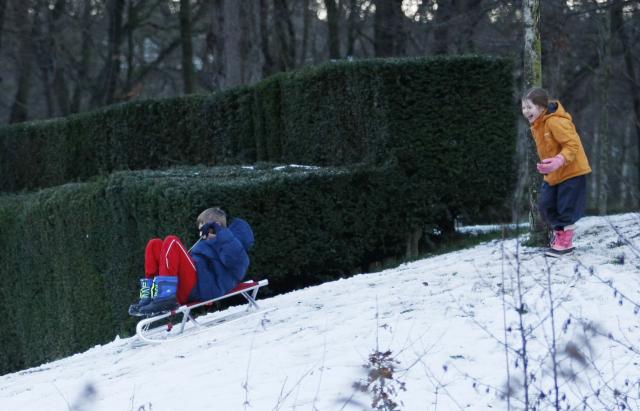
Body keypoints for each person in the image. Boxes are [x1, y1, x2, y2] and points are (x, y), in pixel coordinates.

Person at [128, 207, 254, 315]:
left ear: (216, 226)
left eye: (204, 229)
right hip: (188, 287)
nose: (202, 234)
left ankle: (164, 296)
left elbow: (234, 260)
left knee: (172, 241)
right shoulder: (206, 245)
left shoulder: (235, 248)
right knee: (154, 244)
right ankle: (149, 296)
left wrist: (219, 232)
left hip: (201, 288)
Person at [521, 87, 592, 256]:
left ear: (541, 107)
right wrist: (548, 165)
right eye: (523, 107)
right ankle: (558, 236)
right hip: (554, 173)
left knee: (565, 208)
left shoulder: (556, 121)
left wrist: (559, 160)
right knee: (546, 205)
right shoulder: (536, 126)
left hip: (571, 170)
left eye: (529, 107)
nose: (525, 111)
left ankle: (565, 243)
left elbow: (572, 144)